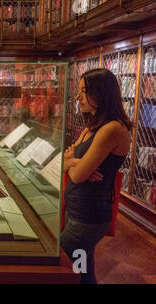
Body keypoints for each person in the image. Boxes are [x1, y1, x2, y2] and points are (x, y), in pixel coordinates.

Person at [62, 68, 132, 284]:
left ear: (101, 94)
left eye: (84, 91)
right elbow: (65, 162)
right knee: (83, 270)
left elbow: (79, 175)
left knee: (63, 265)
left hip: (88, 217)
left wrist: (75, 165)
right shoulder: (91, 127)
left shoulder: (112, 129)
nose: (77, 97)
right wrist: (76, 163)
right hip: (77, 212)